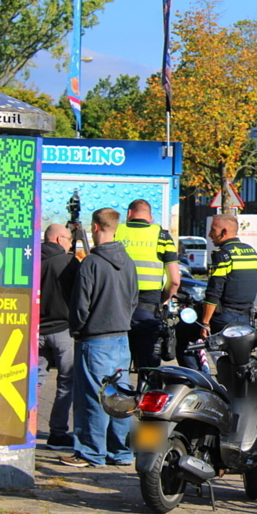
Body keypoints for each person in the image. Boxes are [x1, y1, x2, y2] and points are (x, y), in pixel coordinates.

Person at [62, 208, 138, 468]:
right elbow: (133, 300)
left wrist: (77, 330)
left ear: (95, 227)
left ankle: (91, 452)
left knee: (93, 398)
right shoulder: (128, 261)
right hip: (121, 338)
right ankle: (121, 452)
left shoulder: (91, 263)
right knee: (120, 398)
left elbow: (80, 305)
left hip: (95, 339)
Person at [115, 199, 180, 370]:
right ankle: (146, 394)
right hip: (149, 307)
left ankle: (119, 394)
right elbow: (174, 280)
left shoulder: (117, 231)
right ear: (150, 218)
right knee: (149, 365)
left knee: (118, 365)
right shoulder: (162, 235)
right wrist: (163, 299)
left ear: (129, 214)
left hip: (119, 305)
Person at [38, 224, 80, 451]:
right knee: (66, 383)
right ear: (57, 239)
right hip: (63, 331)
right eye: (68, 239)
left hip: (35, 332)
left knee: (34, 381)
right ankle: (57, 433)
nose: (71, 243)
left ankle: (25, 427)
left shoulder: (30, 260)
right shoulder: (69, 262)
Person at [201, 214, 257, 335]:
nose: (209, 235)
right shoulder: (251, 252)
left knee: (182, 332)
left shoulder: (222, 254)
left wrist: (205, 323)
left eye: (213, 230)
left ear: (224, 232)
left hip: (224, 318)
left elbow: (214, 291)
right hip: (247, 318)